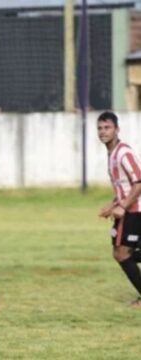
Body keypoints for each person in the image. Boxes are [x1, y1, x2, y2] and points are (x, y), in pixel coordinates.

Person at [97, 111, 141, 307]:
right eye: (100, 128)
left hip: (135, 209)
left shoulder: (123, 152)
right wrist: (113, 204)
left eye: (107, 128)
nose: (103, 132)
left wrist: (122, 206)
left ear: (117, 130)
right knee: (120, 253)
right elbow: (124, 186)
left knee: (122, 254)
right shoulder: (112, 154)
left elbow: (138, 182)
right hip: (128, 208)